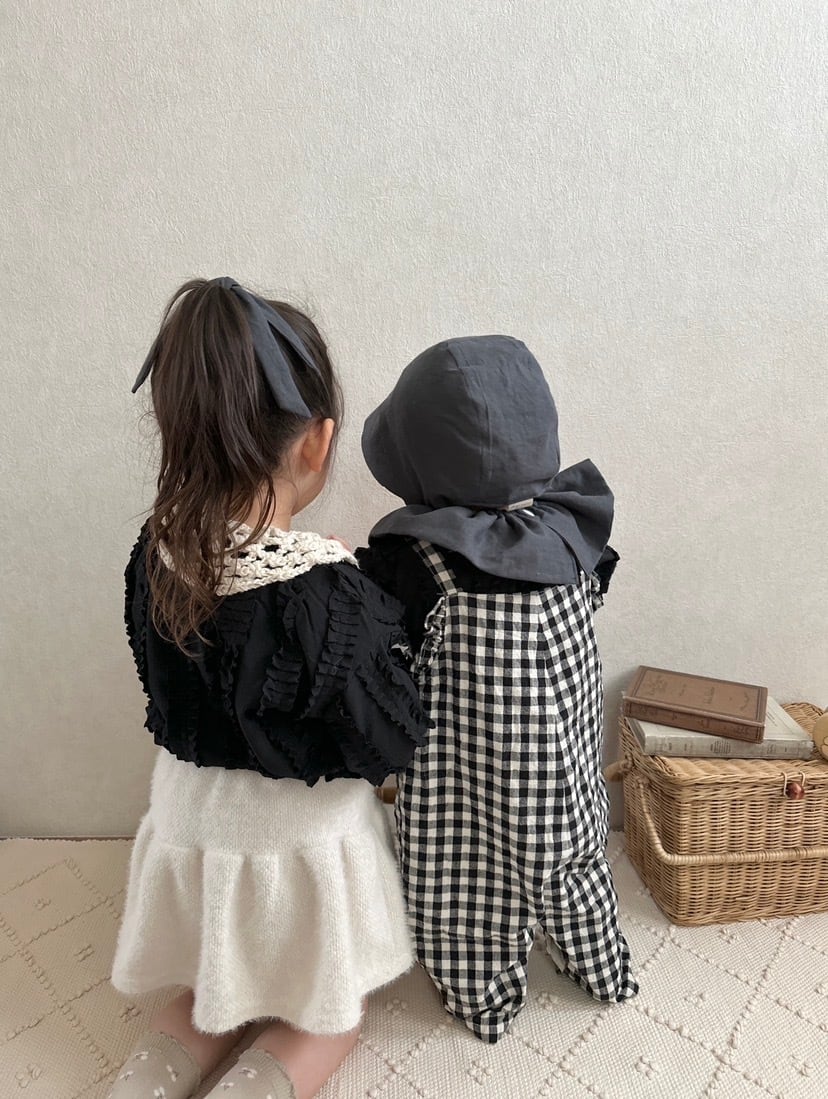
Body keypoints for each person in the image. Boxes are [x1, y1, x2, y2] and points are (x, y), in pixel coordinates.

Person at [109, 278, 428, 1099]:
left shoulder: (155, 553)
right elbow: (386, 739)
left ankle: (140, 1083)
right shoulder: (329, 591)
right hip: (293, 853)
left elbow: (165, 687)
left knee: (204, 999)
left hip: (192, 833)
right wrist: (354, 600)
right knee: (331, 1016)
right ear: (316, 444)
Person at [358, 335, 639, 1043]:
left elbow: (378, 649)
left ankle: (480, 992)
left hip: (466, 788)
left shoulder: (415, 564)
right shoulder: (572, 538)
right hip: (567, 777)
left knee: (464, 889)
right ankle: (600, 965)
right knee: (579, 865)